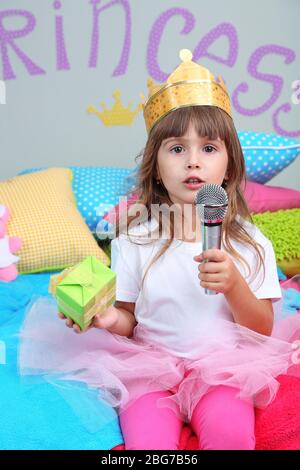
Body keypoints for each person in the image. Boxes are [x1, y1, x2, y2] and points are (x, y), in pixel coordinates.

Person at [19, 49, 300, 450]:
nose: (192, 163)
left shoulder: (249, 242)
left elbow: (262, 331)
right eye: (176, 149)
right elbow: (131, 322)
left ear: (230, 165)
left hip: (224, 369)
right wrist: (106, 317)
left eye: (208, 148)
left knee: (231, 435)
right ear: (156, 164)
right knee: (149, 446)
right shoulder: (133, 239)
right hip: (151, 369)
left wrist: (235, 284)